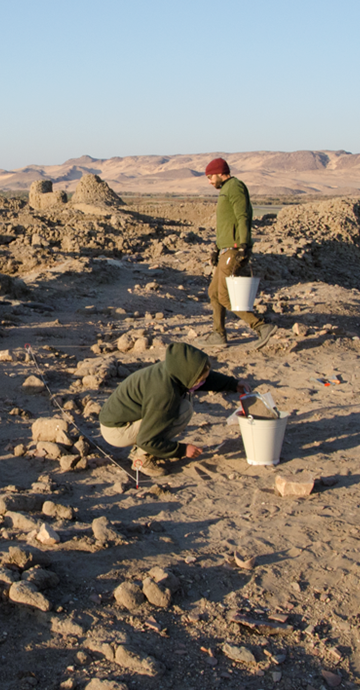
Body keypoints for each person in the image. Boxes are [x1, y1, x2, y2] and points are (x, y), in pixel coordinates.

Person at [98, 342, 248, 477]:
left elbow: (205, 378)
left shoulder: (172, 369)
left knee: (183, 402)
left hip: (125, 419)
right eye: (200, 380)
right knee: (182, 410)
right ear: (187, 375)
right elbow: (147, 439)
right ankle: (143, 458)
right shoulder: (164, 394)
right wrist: (182, 450)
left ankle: (144, 450)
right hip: (116, 430)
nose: (202, 383)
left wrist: (233, 384)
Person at [202, 157, 276, 350]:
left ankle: (261, 327)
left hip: (234, 249)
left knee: (224, 296)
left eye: (211, 177)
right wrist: (217, 248)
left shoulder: (234, 187)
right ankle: (218, 334)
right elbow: (227, 223)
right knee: (213, 293)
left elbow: (242, 216)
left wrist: (243, 244)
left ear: (220, 173)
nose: (209, 181)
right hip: (226, 249)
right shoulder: (225, 190)